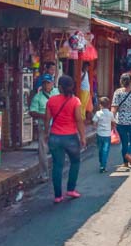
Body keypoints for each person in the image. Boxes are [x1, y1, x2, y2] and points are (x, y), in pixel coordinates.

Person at [45, 75, 87, 203]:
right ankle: (71, 189)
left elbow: (47, 119)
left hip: (55, 136)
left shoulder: (51, 100)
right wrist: (83, 136)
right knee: (75, 162)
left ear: (59, 87)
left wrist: (46, 134)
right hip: (70, 137)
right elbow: (79, 120)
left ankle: (58, 196)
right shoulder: (75, 101)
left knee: (57, 165)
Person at [28, 74, 58, 181]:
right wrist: (44, 116)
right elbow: (32, 112)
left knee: (57, 149)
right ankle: (44, 174)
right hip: (44, 126)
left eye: (48, 83)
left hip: (56, 125)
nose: (46, 85)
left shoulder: (57, 93)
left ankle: (56, 171)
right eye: (44, 83)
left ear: (52, 83)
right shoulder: (38, 97)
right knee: (42, 151)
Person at [92, 97, 115, 173]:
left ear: (100, 105)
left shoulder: (98, 113)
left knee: (100, 150)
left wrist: (96, 127)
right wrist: (112, 128)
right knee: (105, 151)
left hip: (99, 134)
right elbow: (113, 123)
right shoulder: (110, 114)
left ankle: (101, 162)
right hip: (107, 135)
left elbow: (94, 124)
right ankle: (103, 166)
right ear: (109, 105)